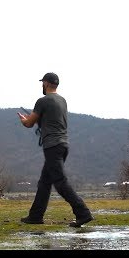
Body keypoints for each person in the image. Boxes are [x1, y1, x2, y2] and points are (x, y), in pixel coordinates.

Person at [17, 72, 93, 227]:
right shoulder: (62, 100)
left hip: (52, 146)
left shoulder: (42, 101)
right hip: (63, 145)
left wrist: (23, 119)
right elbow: (51, 121)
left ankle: (83, 213)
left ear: (45, 83)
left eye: (42, 83)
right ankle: (35, 216)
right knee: (45, 182)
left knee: (60, 182)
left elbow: (29, 123)